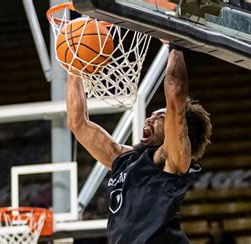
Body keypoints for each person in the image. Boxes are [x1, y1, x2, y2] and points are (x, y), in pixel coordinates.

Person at [66, 41, 212, 244]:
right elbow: (78, 123)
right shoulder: (123, 159)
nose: (149, 119)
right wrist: (74, 64)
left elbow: (176, 96)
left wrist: (175, 46)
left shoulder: (173, 160)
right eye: (151, 115)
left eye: (160, 117)